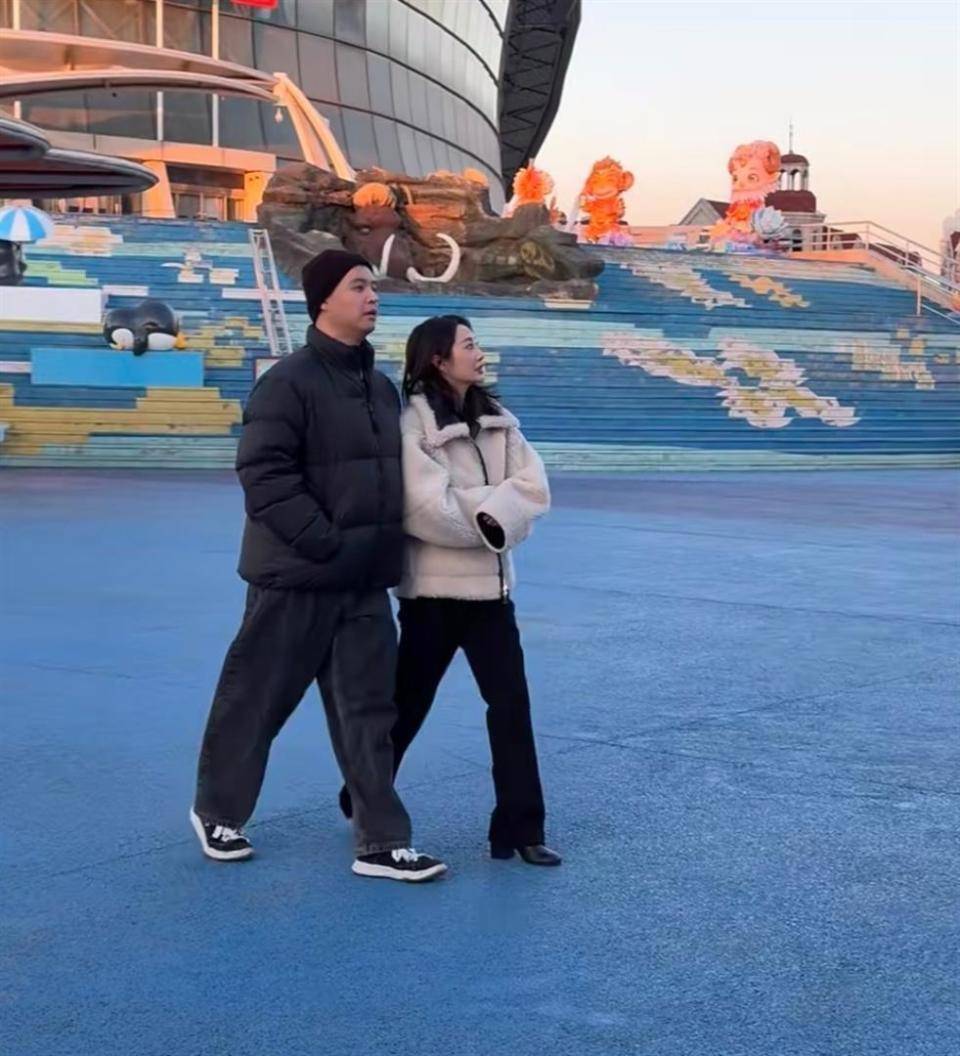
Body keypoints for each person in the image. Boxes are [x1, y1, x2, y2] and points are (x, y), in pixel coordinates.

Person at [190, 250, 446, 883]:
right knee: (257, 700)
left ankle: (381, 842)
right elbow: (263, 473)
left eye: (372, 286)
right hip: (298, 576)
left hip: (363, 581)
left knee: (371, 714)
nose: (372, 296)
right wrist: (322, 541)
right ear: (323, 300)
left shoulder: (380, 387)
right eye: (358, 286)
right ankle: (218, 812)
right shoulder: (287, 382)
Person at [340, 315, 561, 866]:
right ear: (438, 358)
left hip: (492, 599)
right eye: (468, 345)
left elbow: (534, 489)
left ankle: (520, 830)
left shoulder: (501, 422)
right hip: (431, 599)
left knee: (511, 707)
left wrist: (490, 510)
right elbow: (424, 509)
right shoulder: (413, 424)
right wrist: (497, 513)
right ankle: (363, 795)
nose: (479, 352)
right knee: (406, 707)